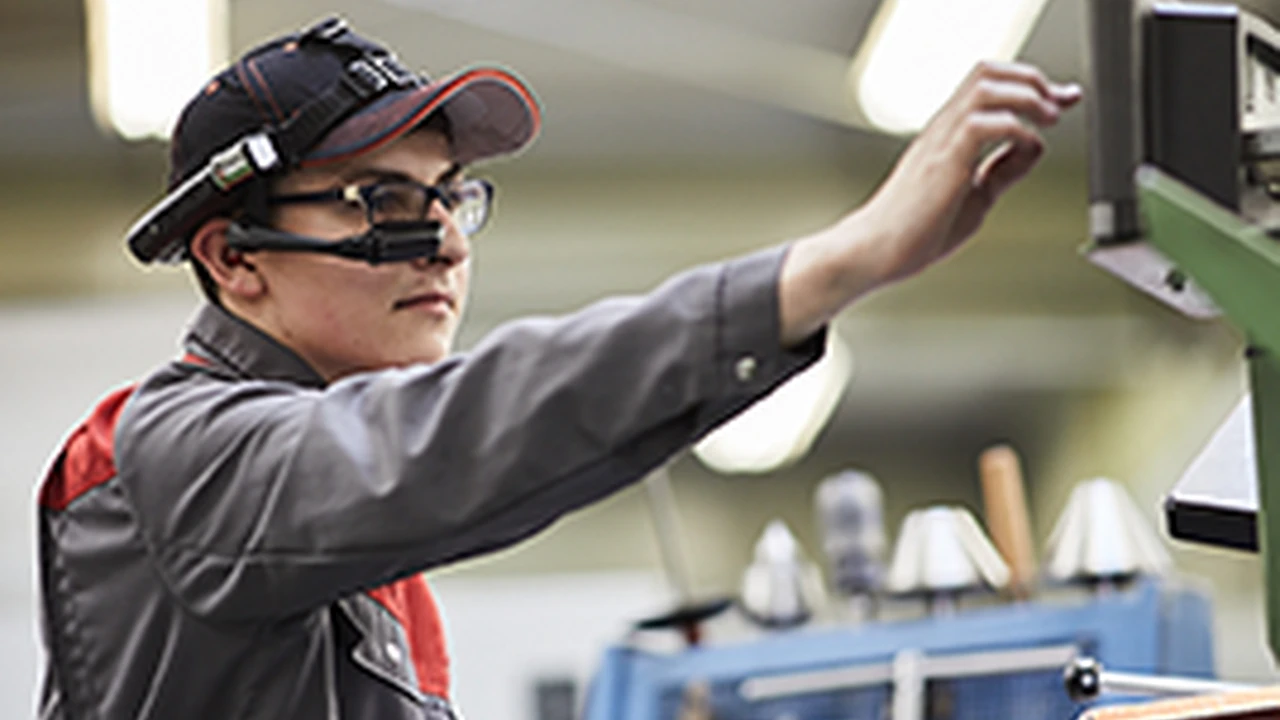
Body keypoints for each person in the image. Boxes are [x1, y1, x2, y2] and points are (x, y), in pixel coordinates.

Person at [34, 16, 1080, 720]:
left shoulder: (344, 534)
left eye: (449, 197)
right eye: (384, 206)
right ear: (231, 258)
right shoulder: (177, 458)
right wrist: (831, 267)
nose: (445, 242)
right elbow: (463, 428)